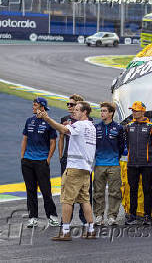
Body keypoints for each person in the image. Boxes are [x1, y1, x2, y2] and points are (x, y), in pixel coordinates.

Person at [37, 101, 96, 241]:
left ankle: (65, 231)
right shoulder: (91, 127)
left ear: (85, 112)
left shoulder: (80, 125)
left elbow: (64, 130)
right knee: (84, 200)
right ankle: (91, 229)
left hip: (75, 168)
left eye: (77, 110)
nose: (73, 112)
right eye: (73, 109)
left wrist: (47, 118)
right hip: (86, 168)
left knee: (66, 200)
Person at [20, 97, 59, 228]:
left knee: (45, 190)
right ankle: (32, 217)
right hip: (27, 161)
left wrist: (48, 159)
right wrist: (23, 157)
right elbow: (25, 139)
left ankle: (52, 216)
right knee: (30, 190)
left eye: (35, 105)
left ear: (42, 107)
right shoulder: (29, 121)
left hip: (41, 161)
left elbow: (53, 142)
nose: (33, 107)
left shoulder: (49, 123)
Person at [58, 94, 91, 224]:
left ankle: (83, 220)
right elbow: (61, 137)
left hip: (79, 162)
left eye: (72, 105)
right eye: (68, 104)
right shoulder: (65, 118)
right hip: (68, 158)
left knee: (80, 194)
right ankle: (68, 220)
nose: (69, 107)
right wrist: (61, 155)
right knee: (67, 192)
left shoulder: (87, 122)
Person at [125, 101, 152, 226]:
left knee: (147, 189)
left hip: (146, 164)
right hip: (132, 164)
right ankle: (132, 215)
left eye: (136, 110)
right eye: (132, 110)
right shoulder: (128, 126)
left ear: (143, 111)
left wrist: (149, 157)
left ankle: (147, 216)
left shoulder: (151, 126)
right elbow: (127, 143)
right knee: (133, 189)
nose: (134, 112)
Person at [93, 102, 124, 226]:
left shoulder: (118, 128)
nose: (102, 113)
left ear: (111, 113)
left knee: (115, 191)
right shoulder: (96, 127)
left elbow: (121, 146)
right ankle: (99, 216)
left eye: (104, 111)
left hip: (114, 164)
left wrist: (116, 157)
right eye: (101, 111)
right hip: (99, 164)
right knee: (98, 192)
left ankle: (112, 216)